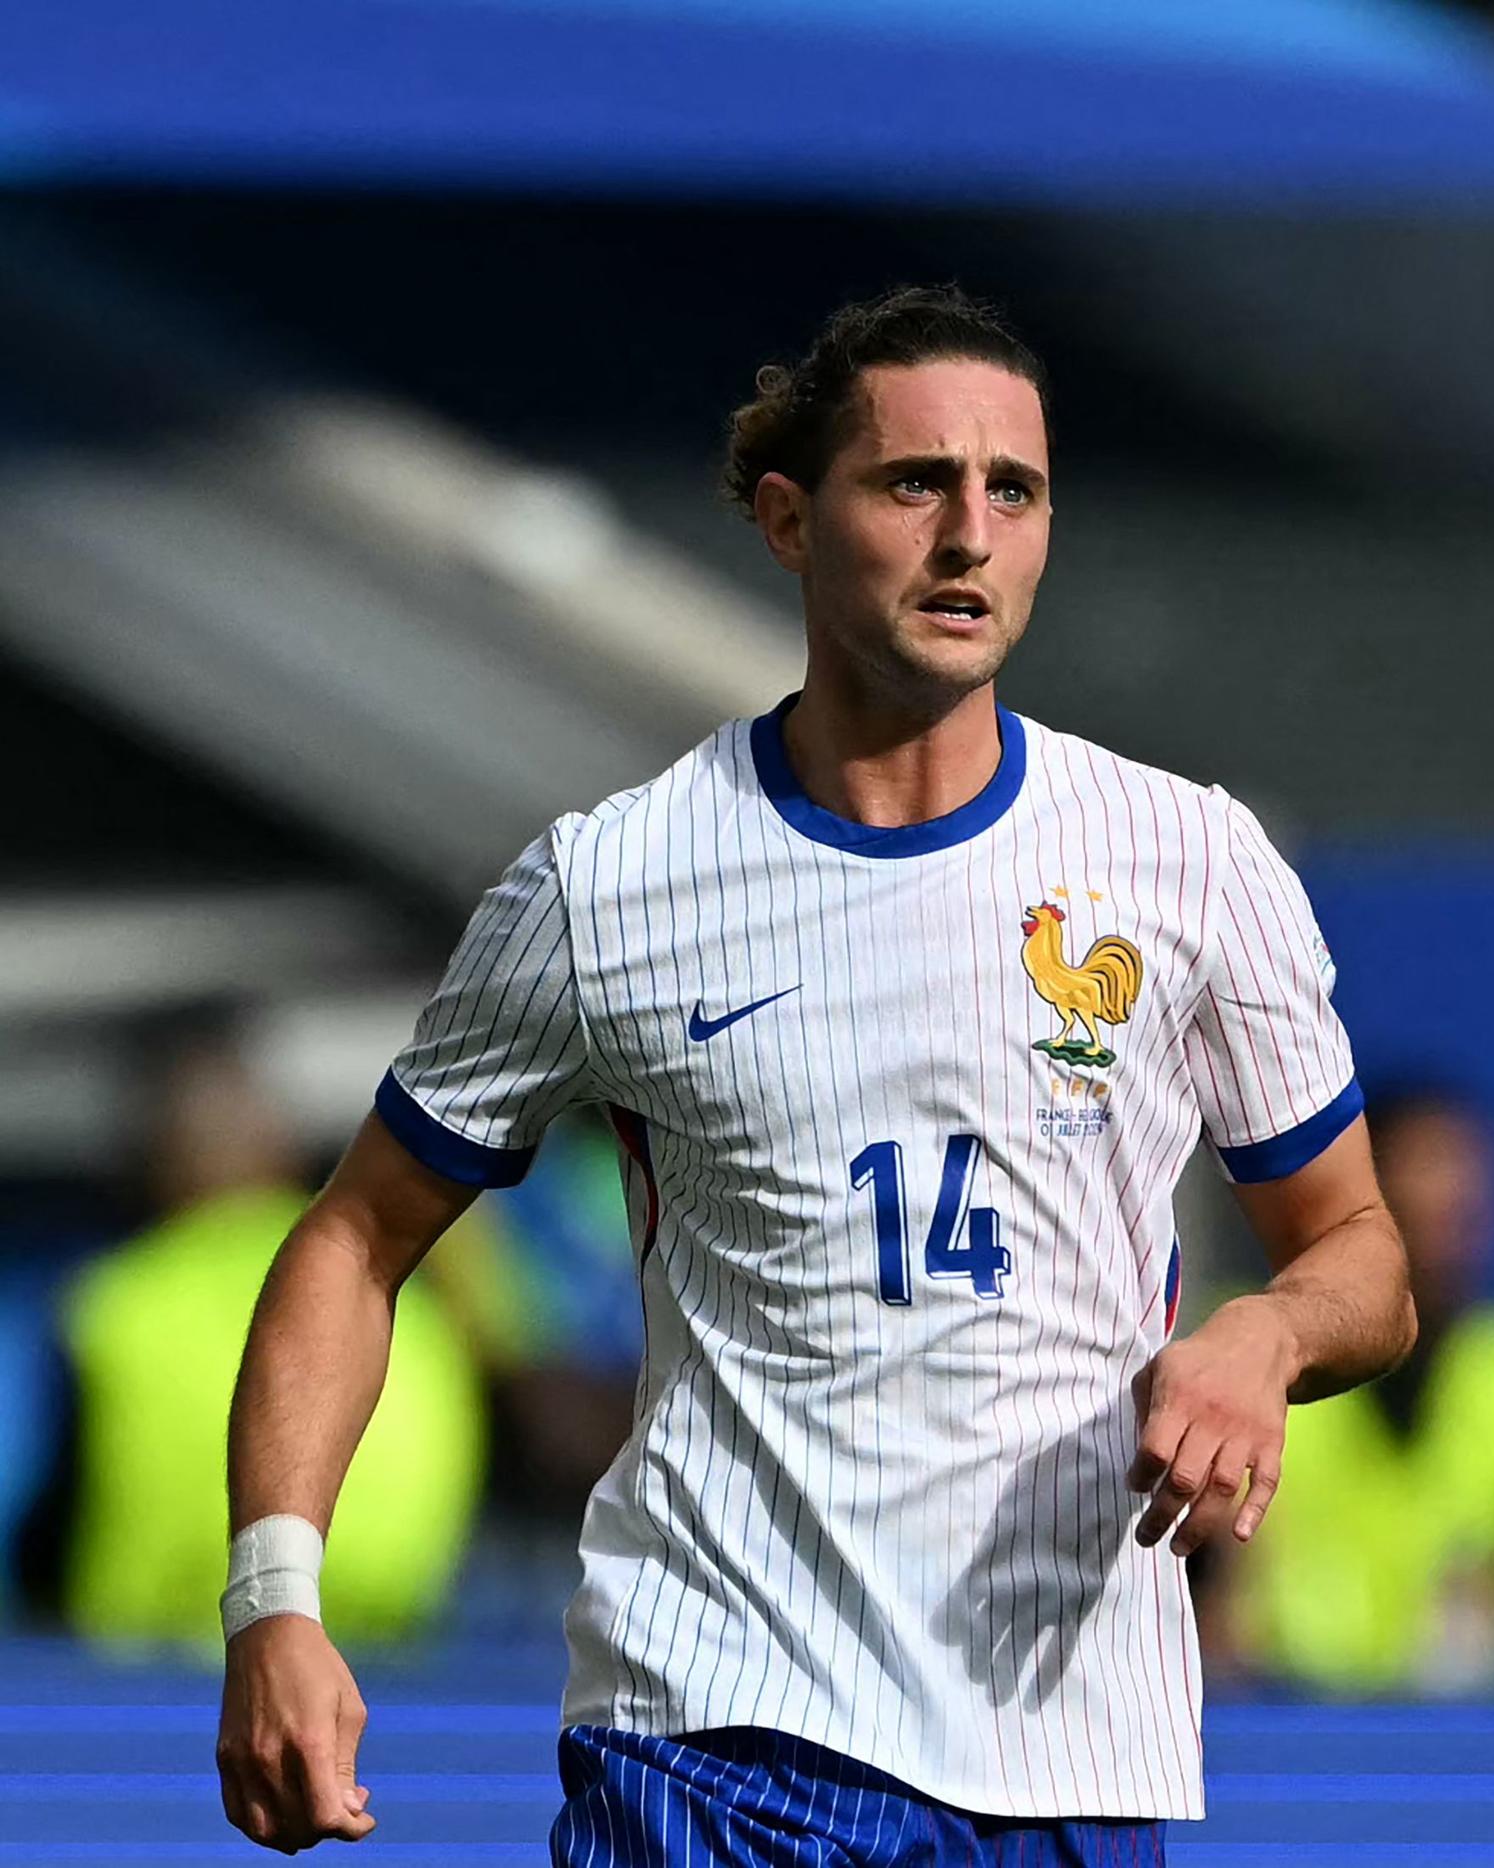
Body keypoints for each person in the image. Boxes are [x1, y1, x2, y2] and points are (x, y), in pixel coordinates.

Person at [213, 284, 1417, 1862]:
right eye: (916, 483)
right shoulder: (613, 883)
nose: (970, 536)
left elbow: (1366, 1263)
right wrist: (272, 1603)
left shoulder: (1189, 863)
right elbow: (357, 1238)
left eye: (1016, 490)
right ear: (789, 519)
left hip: (1069, 1759)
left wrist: (1265, 1336)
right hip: (714, 1743)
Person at [53, 1018, 484, 1651]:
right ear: (285, 1155)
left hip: (138, 1668)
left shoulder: (110, 1305)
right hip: (382, 1660)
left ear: (150, 1170)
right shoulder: (404, 1306)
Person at [1225, 1082, 1494, 1697]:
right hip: (1275, 1717)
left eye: (1469, 1176)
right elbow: (1216, 1596)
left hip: (1459, 1734)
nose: (1454, 1199)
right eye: (1427, 1167)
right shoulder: (1246, 1355)